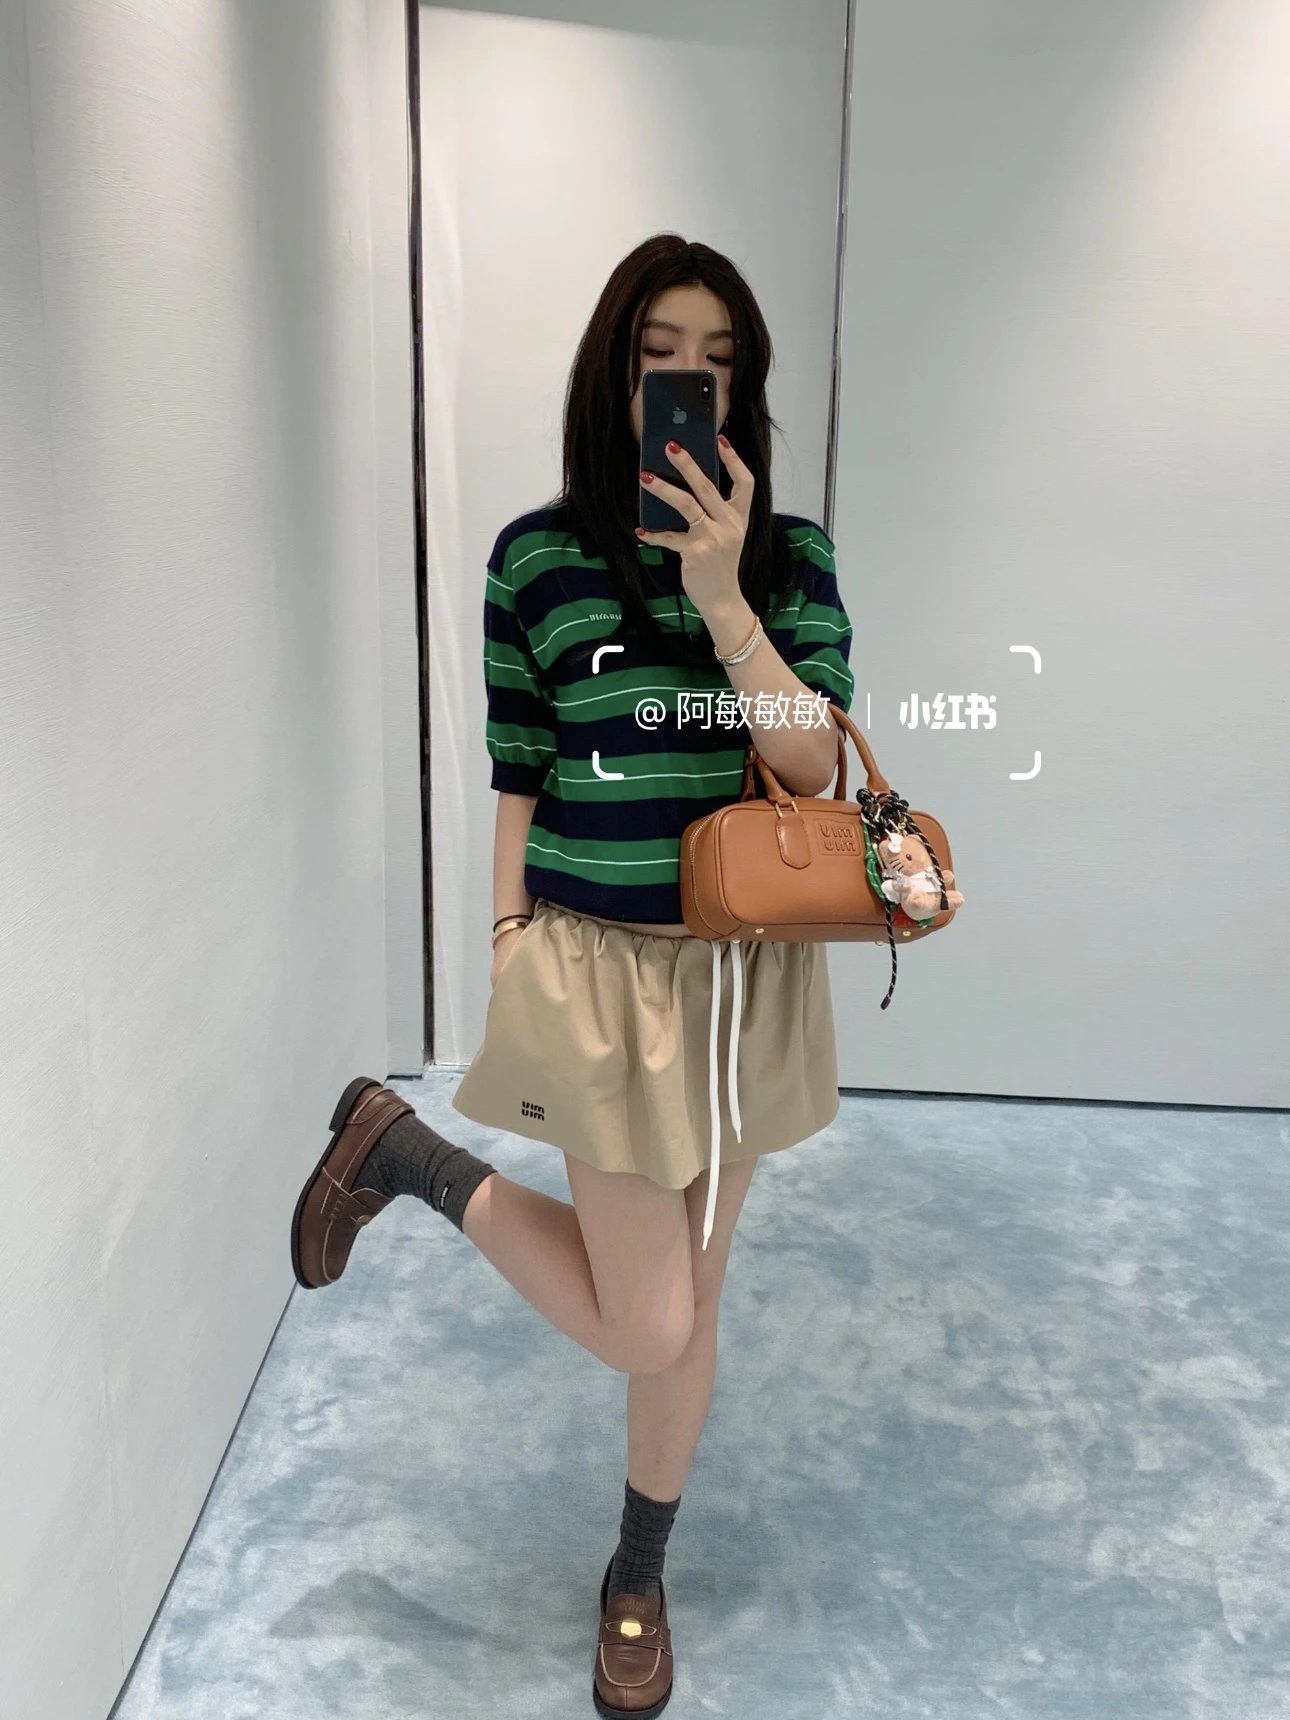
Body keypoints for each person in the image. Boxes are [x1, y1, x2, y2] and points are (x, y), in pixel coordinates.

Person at [290, 233, 855, 1719]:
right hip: (595, 974)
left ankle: (636, 1575)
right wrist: (502, 936)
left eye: (718, 363)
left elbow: (812, 764)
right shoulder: (533, 559)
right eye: (661, 355)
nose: (689, 382)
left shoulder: (791, 558)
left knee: (692, 1305)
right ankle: (412, 1160)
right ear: (615, 374)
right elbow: (521, 766)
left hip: (743, 982)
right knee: (648, 1317)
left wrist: (724, 594)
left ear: (746, 391)